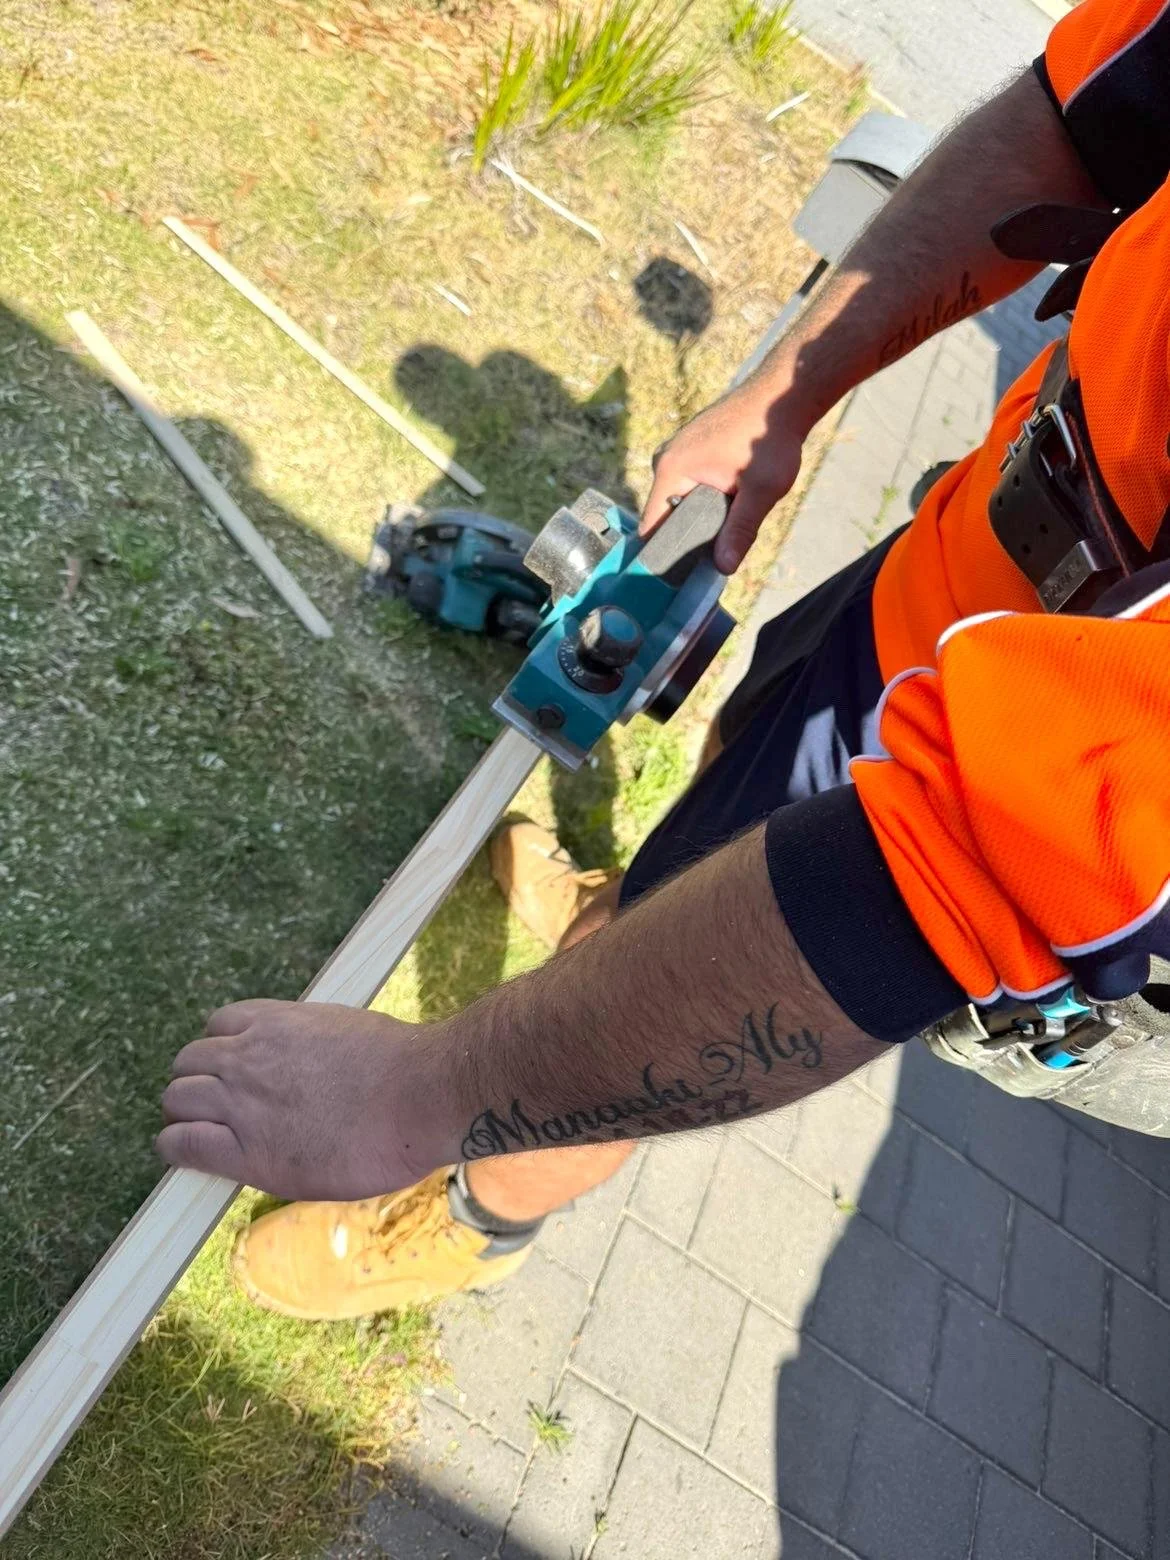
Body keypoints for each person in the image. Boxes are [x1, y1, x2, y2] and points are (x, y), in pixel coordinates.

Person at [158, 0, 1170, 1319]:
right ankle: (622, 924)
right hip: (971, 568)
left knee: (686, 983)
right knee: (698, 842)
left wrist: (422, 1093)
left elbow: (921, 891)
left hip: (1051, 806)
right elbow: (1079, 116)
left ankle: (471, 1216)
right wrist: (784, 394)